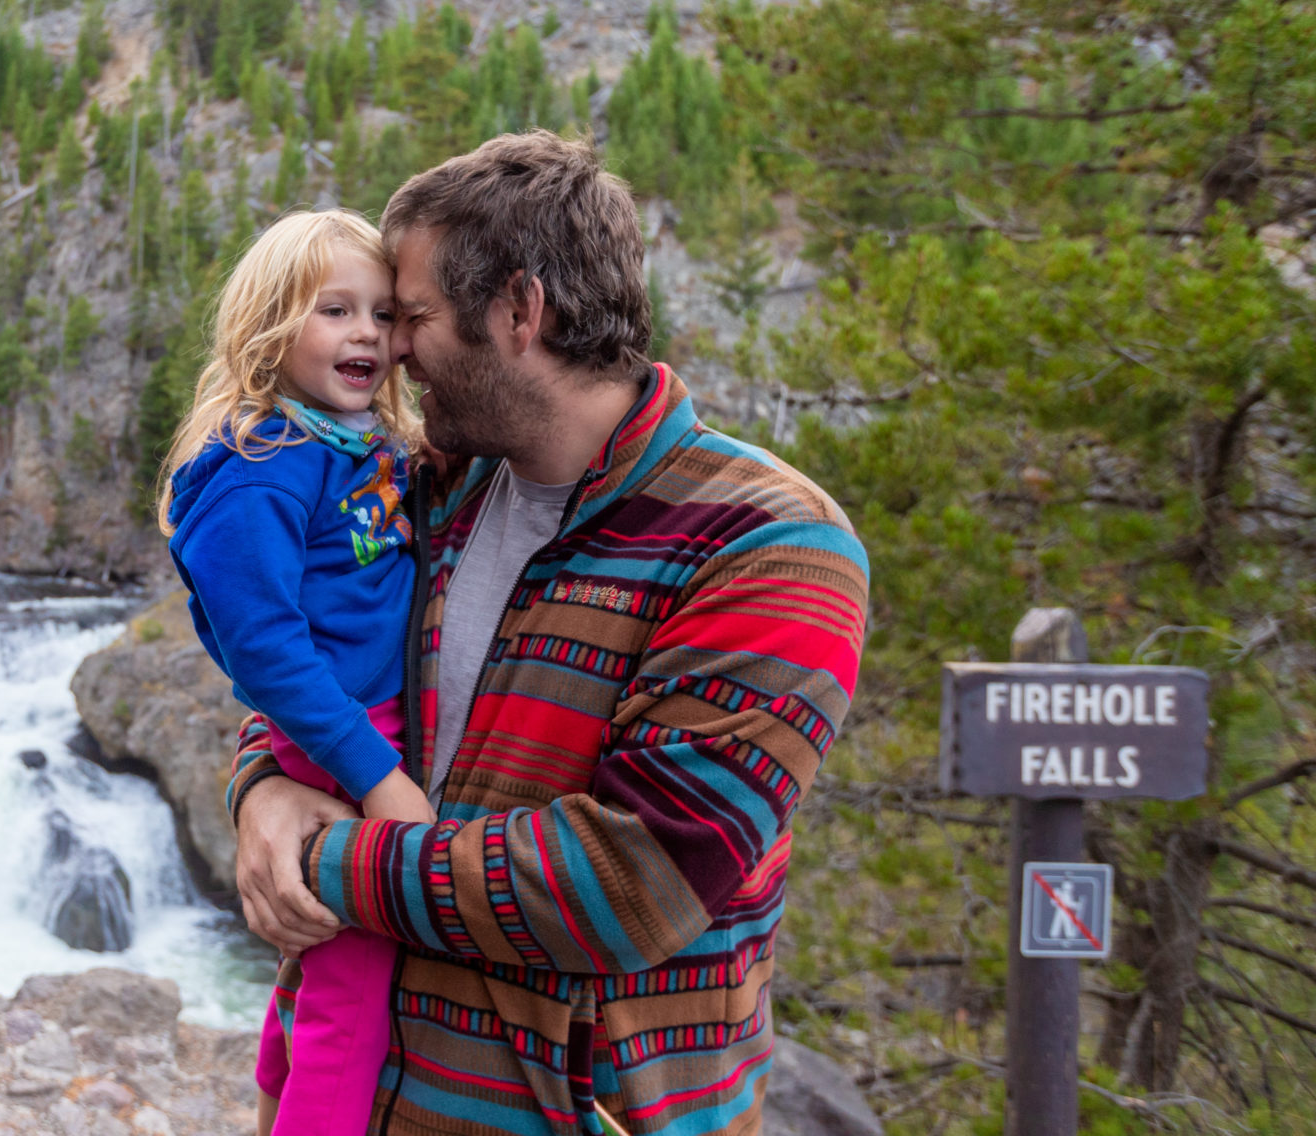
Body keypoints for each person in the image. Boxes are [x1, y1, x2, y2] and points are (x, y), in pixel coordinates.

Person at [227, 132, 870, 1136]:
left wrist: (319, 861)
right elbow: (318, 659)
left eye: (416, 316)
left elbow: (618, 886)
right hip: (354, 1095)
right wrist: (263, 781)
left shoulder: (770, 547)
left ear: (518, 311)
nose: (392, 348)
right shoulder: (425, 480)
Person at [160, 209, 438, 1136]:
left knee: (321, 965)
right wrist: (379, 779)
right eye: (334, 310)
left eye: (382, 313)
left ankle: (275, 1096)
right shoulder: (260, 473)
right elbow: (267, 653)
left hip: (369, 720)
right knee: (354, 994)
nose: (366, 332)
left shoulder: (354, 445)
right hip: (346, 735)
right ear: (271, 328)